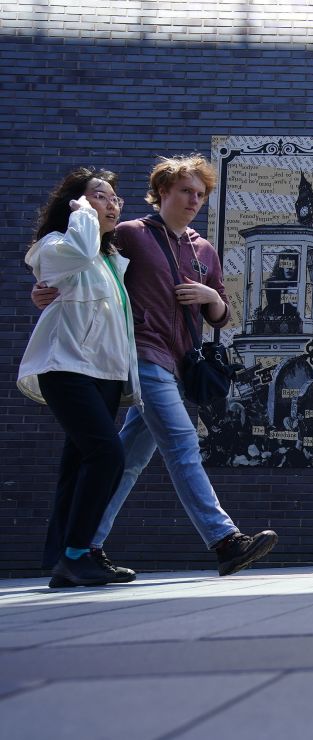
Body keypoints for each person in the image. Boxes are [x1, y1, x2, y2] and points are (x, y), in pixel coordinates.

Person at [33, 155, 277, 580]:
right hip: (141, 355)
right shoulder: (131, 234)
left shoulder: (204, 250)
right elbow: (85, 262)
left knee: (125, 460)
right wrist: (46, 289)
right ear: (162, 192)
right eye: (185, 190)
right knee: (182, 441)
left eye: (200, 194)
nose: (194, 200)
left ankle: (82, 548)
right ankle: (224, 540)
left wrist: (210, 297)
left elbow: (221, 315)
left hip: (180, 363)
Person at [18, 168, 140, 587]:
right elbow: (79, 252)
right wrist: (83, 213)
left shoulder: (109, 260)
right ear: (76, 203)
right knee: (108, 456)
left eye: (114, 199)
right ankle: (76, 554)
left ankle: (67, 559)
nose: (112, 204)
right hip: (64, 366)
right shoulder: (54, 246)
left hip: (103, 374)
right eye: (100, 197)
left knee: (78, 463)